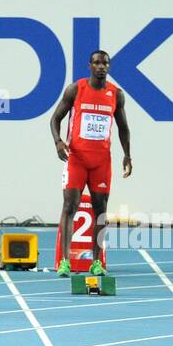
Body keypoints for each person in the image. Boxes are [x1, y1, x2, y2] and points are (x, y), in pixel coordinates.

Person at [49, 50, 132, 278]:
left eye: (105, 63)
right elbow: (55, 118)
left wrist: (128, 155)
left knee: (100, 211)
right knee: (69, 207)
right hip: (76, 158)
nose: (101, 67)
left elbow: (123, 128)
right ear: (89, 65)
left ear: (109, 66)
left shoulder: (116, 94)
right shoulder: (76, 89)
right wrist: (58, 142)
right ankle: (65, 262)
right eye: (97, 63)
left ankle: (96, 262)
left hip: (101, 162)